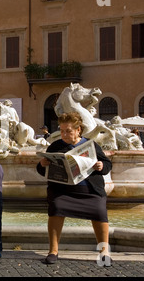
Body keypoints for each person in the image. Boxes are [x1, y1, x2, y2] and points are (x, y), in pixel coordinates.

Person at [37, 112, 112, 266]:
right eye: (62, 130)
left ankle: (104, 251)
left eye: (68, 131)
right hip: (62, 191)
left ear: (78, 130)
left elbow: (107, 164)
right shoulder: (56, 146)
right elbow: (41, 169)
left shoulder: (91, 145)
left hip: (90, 191)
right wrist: (42, 164)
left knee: (99, 211)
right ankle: (53, 251)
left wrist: (101, 166)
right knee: (56, 207)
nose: (64, 134)